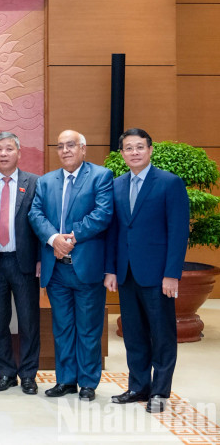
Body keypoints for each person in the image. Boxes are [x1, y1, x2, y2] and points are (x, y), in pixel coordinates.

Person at [105, 128, 189, 413]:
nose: (134, 152)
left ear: (150, 150)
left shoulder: (169, 183)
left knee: (162, 333)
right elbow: (114, 232)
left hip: (157, 275)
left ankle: (160, 392)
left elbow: (178, 233)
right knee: (133, 333)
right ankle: (138, 386)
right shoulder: (116, 185)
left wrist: (171, 274)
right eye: (129, 148)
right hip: (126, 273)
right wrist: (111, 270)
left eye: (140, 147)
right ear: (122, 154)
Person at [28, 130, 113, 402]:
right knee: (62, 327)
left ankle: (88, 382)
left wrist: (72, 237)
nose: (65, 150)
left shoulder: (100, 176)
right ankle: (65, 380)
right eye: (61, 146)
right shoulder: (46, 181)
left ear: (83, 148)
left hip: (86, 267)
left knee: (88, 329)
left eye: (71, 145)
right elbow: (35, 214)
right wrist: (54, 239)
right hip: (57, 270)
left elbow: (102, 214)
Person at [0, 132, 41, 395]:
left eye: (9, 149)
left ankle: (28, 375)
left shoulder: (35, 183)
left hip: (24, 263)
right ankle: (5, 373)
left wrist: (38, 259)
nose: (4, 153)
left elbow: (39, 226)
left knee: (28, 322)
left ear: (19, 153)